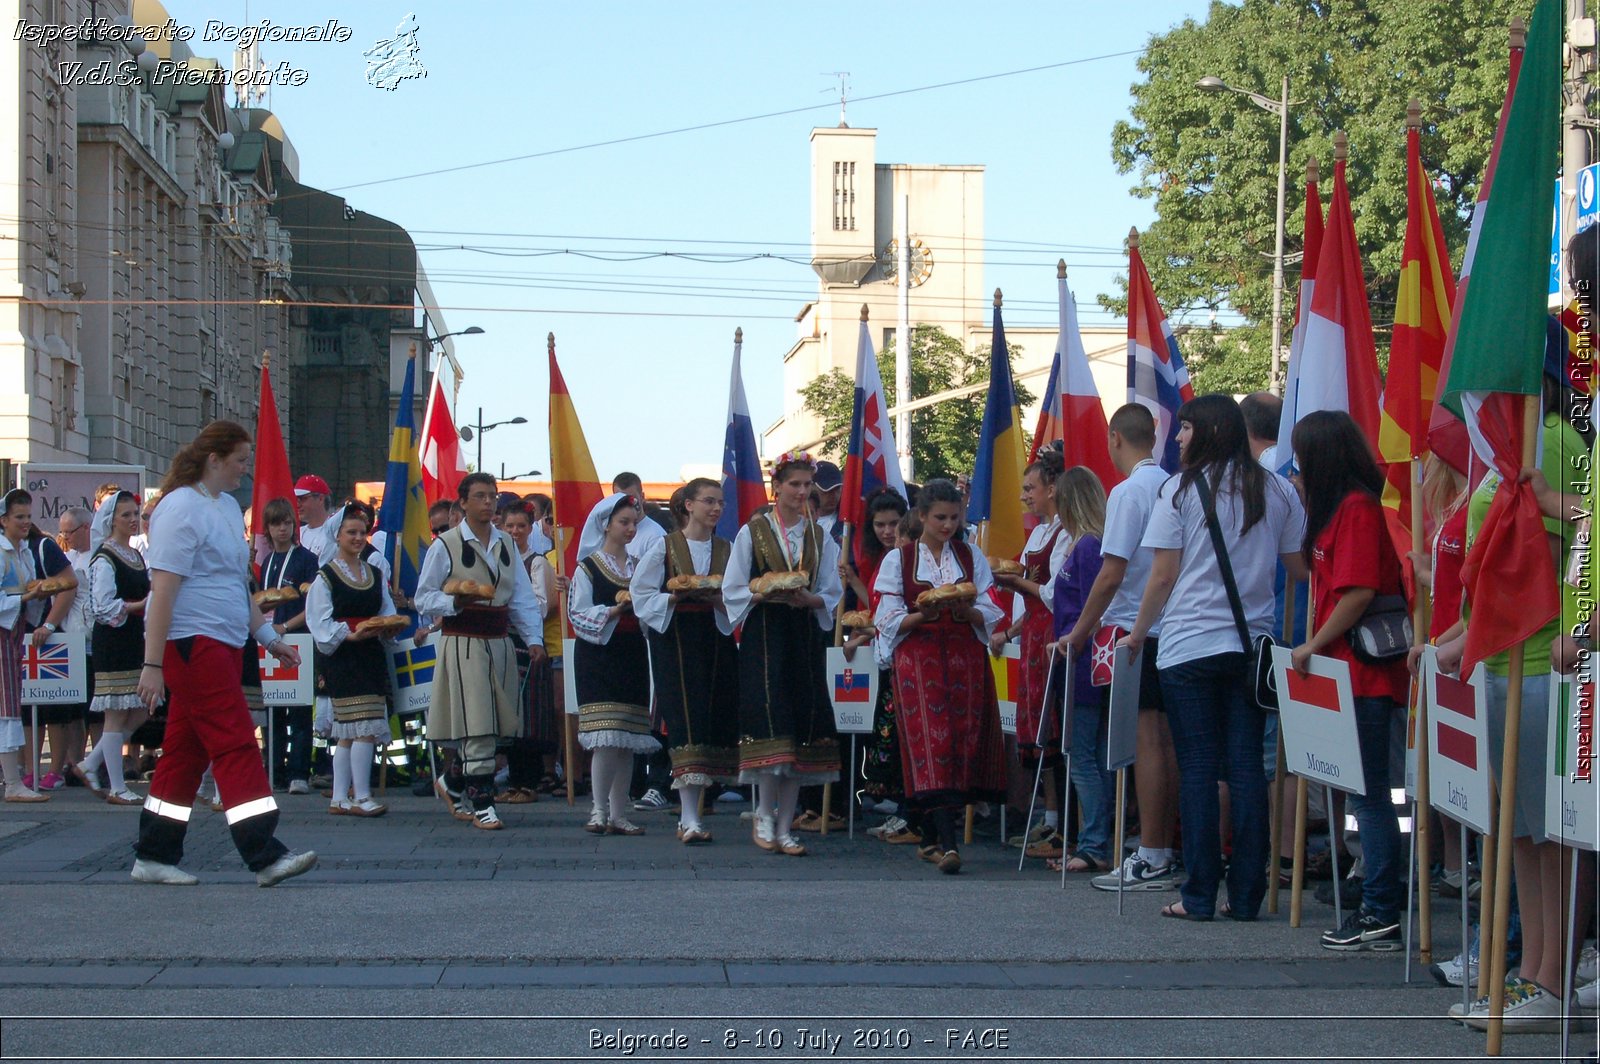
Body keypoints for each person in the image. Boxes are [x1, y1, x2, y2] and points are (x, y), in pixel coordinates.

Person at [1122, 395, 1307, 920]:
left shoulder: (1178, 490)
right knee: (1247, 768)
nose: (1177, 438)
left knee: (1199, 769)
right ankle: (1248, 895)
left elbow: (1162, 575)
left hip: (1187, 646)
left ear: (1206, 432)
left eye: (1183, 430)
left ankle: (1199, 894)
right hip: (1251, 647)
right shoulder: (1274, 489)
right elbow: (1298, 568)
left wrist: (1137, 634)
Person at [131, 420, 316, 887]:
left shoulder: (227, 509)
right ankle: (264, 853)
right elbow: (163, 592)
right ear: (214, 459)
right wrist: (153, 665)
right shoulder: (178, 509)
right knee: (235, 740)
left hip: (220, 643)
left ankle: (154, 854)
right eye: (239, 460)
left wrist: (270, 639)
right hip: (192, 643)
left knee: (183, 753)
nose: (244, 469)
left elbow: (238, 586)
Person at [1285, 411, 1409, 950]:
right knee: (1359, 793)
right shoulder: (1335, 507)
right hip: (1342, 672)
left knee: (1370, 797)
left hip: (1362, 674)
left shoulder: (1357, 507)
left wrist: (1313, 644)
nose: (1296, 470)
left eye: (1301, 459)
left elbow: (1357, 592)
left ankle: (1381, 908)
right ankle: (1375, 898)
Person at [1058, 404, 1182, 892]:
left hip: (1137, 631)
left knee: (1147, 743)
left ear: (1115, 439)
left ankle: (1153, 852)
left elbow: (1112, 572)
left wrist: (1080, 631)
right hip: (1170, 627)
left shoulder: (1129, 492)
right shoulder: (1173, 485)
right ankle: (1161, 846)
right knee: (1164, 744)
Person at [872, 478, 1006, 874]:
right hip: (918, 655)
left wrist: (970, 613)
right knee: (931, 739)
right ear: (922, 516)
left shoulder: (970, 554)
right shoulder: (899, 559)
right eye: (940, 517)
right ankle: (949, 845)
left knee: (961, 739)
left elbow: (992, 603)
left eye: (954, 517)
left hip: (965, 655)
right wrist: (921, 615)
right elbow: (885, 612)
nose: (947, 525)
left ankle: (932, 837)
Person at [721, 452, 844, 857]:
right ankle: (763, 815)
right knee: (770, 720)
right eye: (795, 484)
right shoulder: (752, 532)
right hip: (766, 633)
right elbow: (733, 587)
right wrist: (764, 590)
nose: (803, 492)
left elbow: (831, 591)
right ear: (777, 488)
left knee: (801, 725)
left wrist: (812, 600)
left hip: (804, 634)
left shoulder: (821, 536)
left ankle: (787, 822)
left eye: (808, 485)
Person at [414, 472, 546, 830]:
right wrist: (455, 601)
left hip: (499, 642)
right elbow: (423, 596)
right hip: (464, 642)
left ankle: (453, 782)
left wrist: (534, 638)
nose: (489, 503)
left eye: (493, 496)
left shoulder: (505, 544)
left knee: (500, 724)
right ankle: (483, 800)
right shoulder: (446, 545)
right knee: (479, 724)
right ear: (463, 502)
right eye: (481, 496)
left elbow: (520, 596)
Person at [630, 478, 740, 844]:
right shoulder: (664, 548)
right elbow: (641, 594)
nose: (716, 508)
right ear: (688, 505)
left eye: (720, 502)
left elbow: (739, 598)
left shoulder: (728, 548)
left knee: (709, 719)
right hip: (675, 640)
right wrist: (675, 598)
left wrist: (720, 600)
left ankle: (698, 808)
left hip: (715, 638)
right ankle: (689, 817)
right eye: (708, 501)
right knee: (684, 721)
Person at [990, 445, 1071, 859]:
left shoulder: (1065, 532)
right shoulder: (1040, 532)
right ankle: (1051, 816)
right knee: (1040, 729)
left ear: (1053, 489)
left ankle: (1063, 823)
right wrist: (1010, 631)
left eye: (1030, 488)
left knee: (1053, 726)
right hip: (1036, 633)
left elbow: (1055, 596)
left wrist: (1012, 582)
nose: (1024, 496)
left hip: (1054, 634)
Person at [569, 493, 658, 835]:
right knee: (606, 736)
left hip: (632, 651)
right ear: (606, 525)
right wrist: (612, 611)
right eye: (624, 522)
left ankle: (619, 813)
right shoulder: (588, 566)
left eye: (634, 522)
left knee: (628, 737)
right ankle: (598, 810)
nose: (631, 529)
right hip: (599, 655)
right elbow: (577, 611)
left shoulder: (639, 568)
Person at [306, 503, 398, 818]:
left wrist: (386, 627)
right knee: (362, 727)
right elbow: (319, 620)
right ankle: (360, 795)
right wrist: (348, 634)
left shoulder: (373, 572)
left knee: (349, 731)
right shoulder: (326, 577)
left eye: (362, 533)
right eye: (351, 533)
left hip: (370, 652)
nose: (358, 538)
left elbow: (385, 609)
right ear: (338, 536)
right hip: (344, 656)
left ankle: (338, 797)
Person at [1047, 467, 1114, 874]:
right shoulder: (1089, 544)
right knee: (1093, 754)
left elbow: (1095, 602)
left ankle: (1093, 842)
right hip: (1085, 656)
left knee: (1081, 754)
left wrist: (1072, 638)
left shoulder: (1088, 546)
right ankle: (1097, 839)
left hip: (1083, 659)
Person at [843, 491, 913, 837]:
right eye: (880, 524)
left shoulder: (909, 561)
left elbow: (895, 617)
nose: (887, 531)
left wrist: (862, 635)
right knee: (887, 736)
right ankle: (901, 808)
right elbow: (876, 606)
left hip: (907, 656)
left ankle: (909, 812)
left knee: (903, 737)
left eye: (894, 524)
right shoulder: (882, 560)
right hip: (885, 657)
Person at [74, 492, 151, 805]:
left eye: (135, 514)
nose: (133, 520)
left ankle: (90, 764)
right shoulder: (104, 556)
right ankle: (117, 785)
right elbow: (102, 606)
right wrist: (142, 605)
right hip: (114, 641)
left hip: (132, 639)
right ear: (111, 520)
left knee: (145, 706)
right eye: (126, 515)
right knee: (116, 714)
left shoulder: (133, 554)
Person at [258, 498, 320, 794]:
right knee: (273, 706)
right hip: (269, 641)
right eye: (276, 524)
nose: (282, 529)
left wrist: (284, 626)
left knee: (298, 708)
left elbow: (313, 605)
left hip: (297, 637)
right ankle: (275, 769)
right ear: (267, 529)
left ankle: (299, 772)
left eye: (287, 523)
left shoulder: (306, 559)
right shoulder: (266, 562)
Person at [501, 501, 559, 801]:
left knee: (528, 714)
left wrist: (508, 607)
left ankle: (528, 781)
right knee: (507, 711)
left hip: (527, 642)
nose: (515, 531)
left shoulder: (536, 562)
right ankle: (513, 780)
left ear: (530, 528)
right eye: (509, 526)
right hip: (502, 641)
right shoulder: (498, 558)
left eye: (521, 526)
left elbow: (542, 604)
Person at [0, 490, 53, 802]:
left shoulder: (23, 552)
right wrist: (26, 597)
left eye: (28, 517)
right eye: (19, 517)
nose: (25, 522)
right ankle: (12, 783)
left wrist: (38, 594)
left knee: (9, 705)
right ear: (4, 520)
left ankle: (12, 781)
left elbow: (29, 590)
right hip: (3, 632)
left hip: (13, 631)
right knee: (7, 708)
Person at [612, 473, 667, 559]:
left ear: (642, 497)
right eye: (621, 500)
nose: (626, 504)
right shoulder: (609, 533)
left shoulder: (656, 536)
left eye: (631, 499)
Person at [294, 474, 341, 563]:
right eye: (295, 499)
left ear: (320, 499)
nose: (297, 504)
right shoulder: (296, 533)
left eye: (303, 499)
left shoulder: (335, 534)